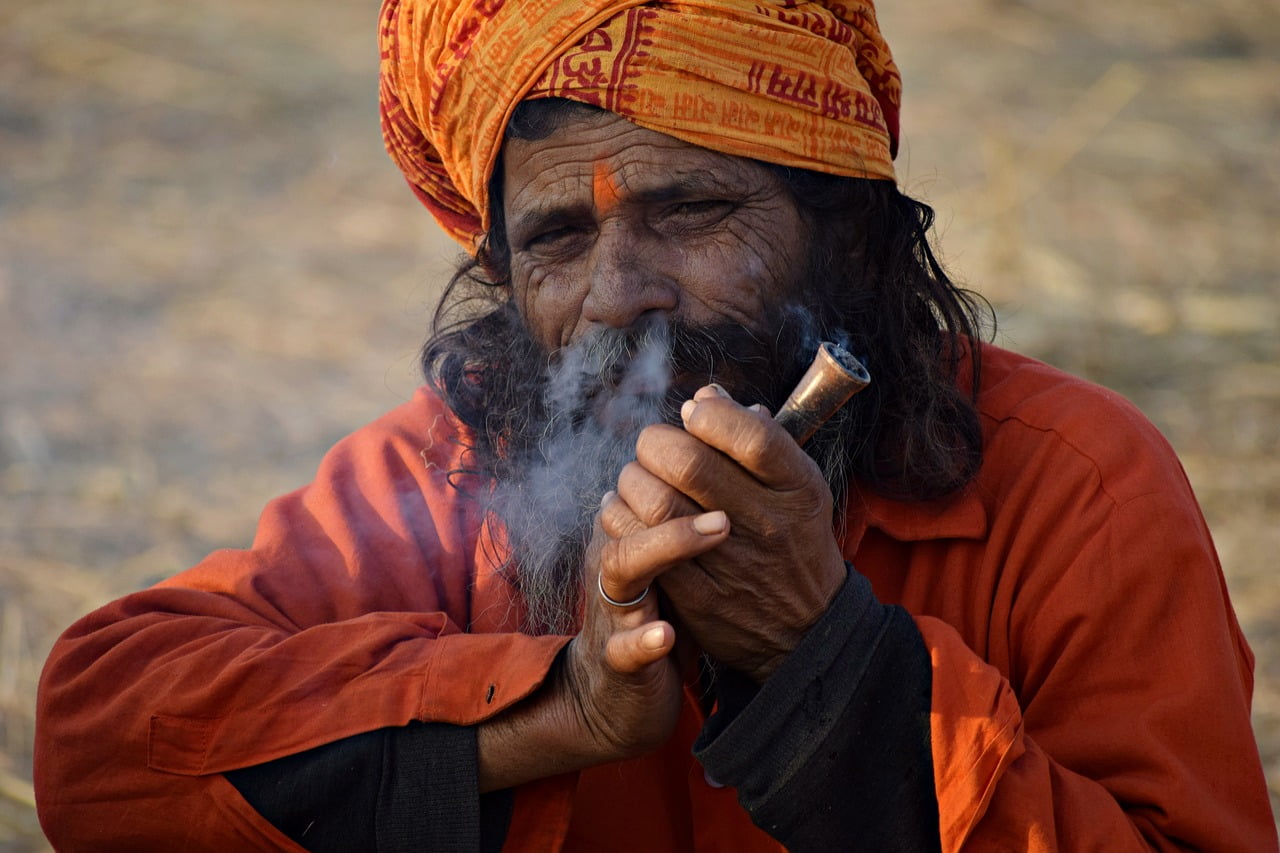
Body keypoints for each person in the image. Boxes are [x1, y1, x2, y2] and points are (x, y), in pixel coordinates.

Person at [33, 0, 1277, 849]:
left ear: (841, 231)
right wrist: (551, 709)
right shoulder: (455, 473)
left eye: (688, 211)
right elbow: (103, 744)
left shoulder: (1072, 484)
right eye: (559, 240)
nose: (620, 293)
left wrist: (825, 657)